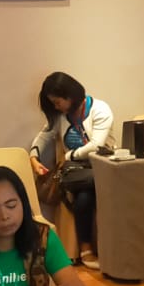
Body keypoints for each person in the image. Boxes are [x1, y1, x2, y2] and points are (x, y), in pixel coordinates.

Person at [30, 72, 113, 270]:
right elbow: (44, 136)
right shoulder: (60, 116)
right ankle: (86, 250)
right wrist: (33, 157)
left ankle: (87, 249)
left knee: (85, 193)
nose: (56, 107)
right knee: (84, 193)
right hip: (77, 170)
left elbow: (96, 145)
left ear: (70, 96)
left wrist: (69, 156)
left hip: (102, 165)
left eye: (58, 102)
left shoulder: (100, 109)